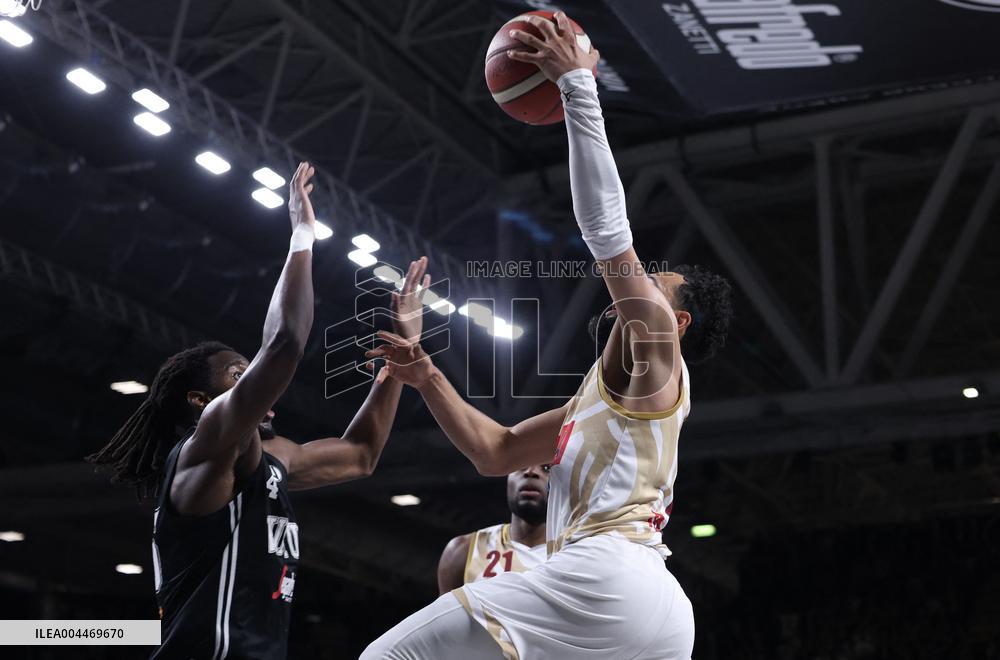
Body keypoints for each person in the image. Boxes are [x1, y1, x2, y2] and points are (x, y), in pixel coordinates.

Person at [361, 13, 733, 660]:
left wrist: (577, 88)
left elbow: (606, 230)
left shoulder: (660, 355)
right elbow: (496, 452)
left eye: (655, 284)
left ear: (676, 324)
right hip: (656, 611)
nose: (639, 285)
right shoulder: (606, 407)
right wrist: (427, 375)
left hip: (607, 578)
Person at [88, 162, 431, 660]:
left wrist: (398, 359)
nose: (255, 384)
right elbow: (285, 343)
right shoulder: (205, 448)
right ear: (201, 401)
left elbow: (360, 454)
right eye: (238, 375)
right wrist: (302, 236)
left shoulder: (271, 459)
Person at [437, 465, 549, 594]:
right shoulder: (463, 550)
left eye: (546, 468)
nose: (531, 472)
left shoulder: (568, 551)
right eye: (521, 466)